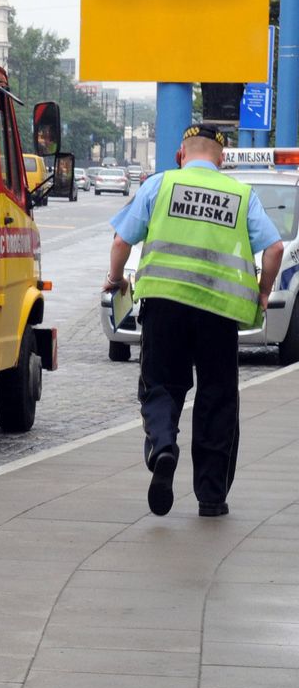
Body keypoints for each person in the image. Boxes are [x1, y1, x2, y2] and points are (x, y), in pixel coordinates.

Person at [103, 123, 284, 518]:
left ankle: (164, 445)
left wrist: (115, 280)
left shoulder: (159, 185)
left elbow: (121, 241)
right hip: (219, 314)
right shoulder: (240, 194)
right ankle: (211, 497)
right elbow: (274, 248)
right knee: (217, 398)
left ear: (181, 155)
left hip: (164, 307)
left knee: (161, 386)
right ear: (221, 159)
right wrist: (265, 291)